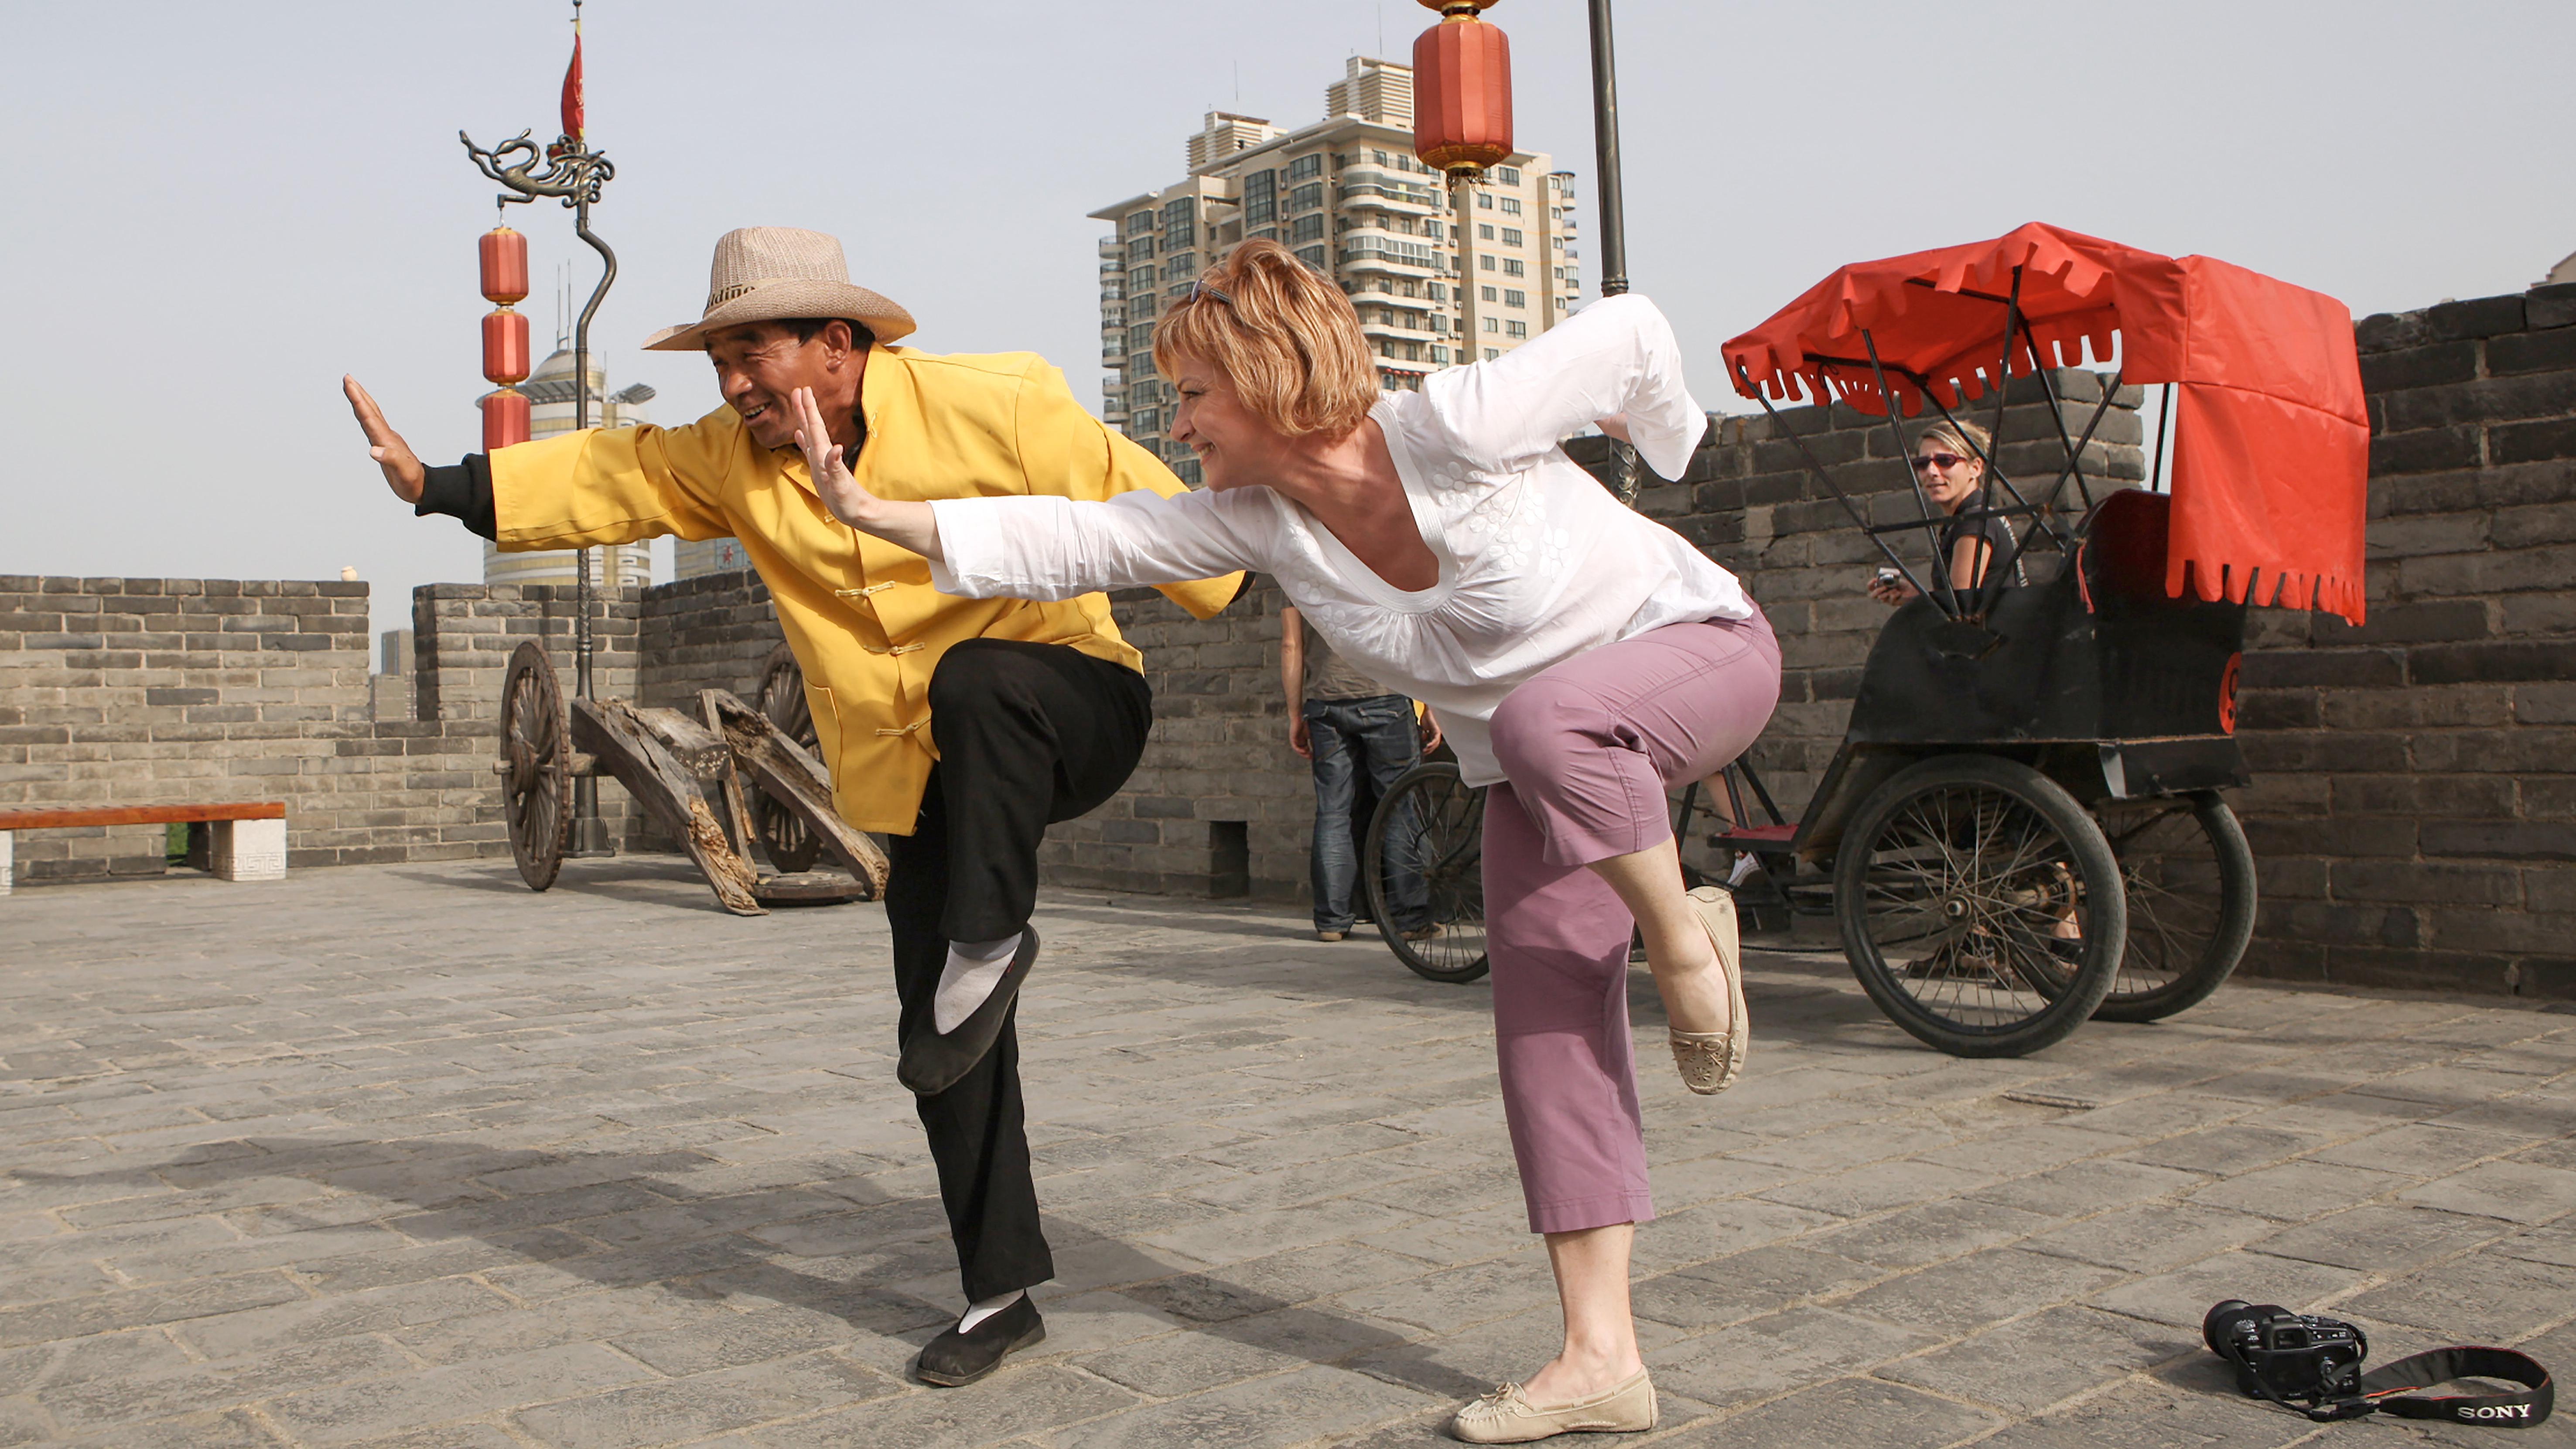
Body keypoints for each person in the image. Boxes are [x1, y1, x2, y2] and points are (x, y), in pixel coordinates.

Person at [793, 239, 1781, 1444]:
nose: (1181, 417)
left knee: (1541, 717)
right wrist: (869, 510)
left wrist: (1672, 443)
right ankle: (1602, 1357)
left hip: (1698, 654)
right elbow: (1085, 538)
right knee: (1545, 1026)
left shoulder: (1454, 426)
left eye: (1196, 392)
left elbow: (1629, 330)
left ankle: (1685, 940)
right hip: (1540, 772)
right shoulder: (1261, 522)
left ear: (1268, 378)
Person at [341, 227, 1242, 1389]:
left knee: (976, 679)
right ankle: (1000, 1291)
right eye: (717, 361)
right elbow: (617, 474)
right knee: (941, 1038)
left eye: (749, 354)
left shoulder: (1000, 401)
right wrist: (439, 488)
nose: (730, 385)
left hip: (1064, 702)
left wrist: (1235, 566)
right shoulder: (733, 455)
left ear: (836, 343)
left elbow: (1178, 536)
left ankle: (992, 929)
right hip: (919, 778)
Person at [1280, 603, 1440, 942]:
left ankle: (1332, 921)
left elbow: (1292, 645)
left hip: (1325, 702)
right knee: (1401, 809)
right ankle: (1409, 918)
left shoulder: (1294, 565)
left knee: (1333, 811)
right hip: (1387, 697)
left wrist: (1296, 713)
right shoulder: (1382, 559)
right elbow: (1414, 638)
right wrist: (1429, 707)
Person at [1866, 418, 2024, 605]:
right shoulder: (1966, 519)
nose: (1932, 471)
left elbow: (1960, 607)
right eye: (1923, 463)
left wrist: (1921, 601)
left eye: (1945, 461)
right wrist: (1916, 596)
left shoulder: (1974, 522)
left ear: (1976, 468)